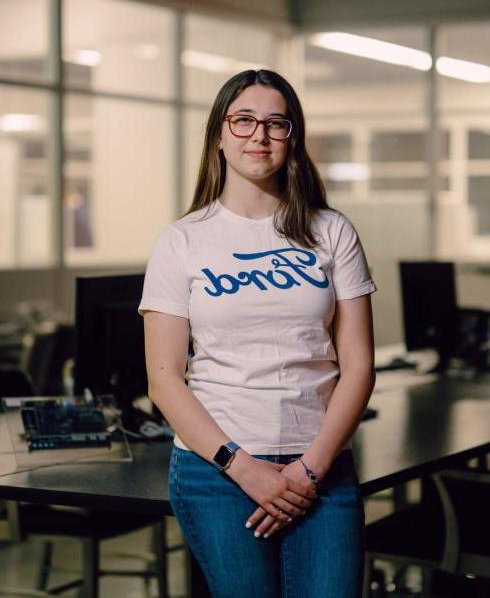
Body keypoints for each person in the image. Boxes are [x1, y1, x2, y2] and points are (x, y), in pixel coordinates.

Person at [138, 68, 377, 597]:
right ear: (219, 134)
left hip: (321, 467)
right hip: (217, 475)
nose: (259, 135)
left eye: (276, 123)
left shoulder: (331, 231)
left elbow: (358, 366)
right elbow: (164, 380)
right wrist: (243, 469)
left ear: (293, 138)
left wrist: (308, 472)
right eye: (243, 120)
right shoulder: (182, 241)